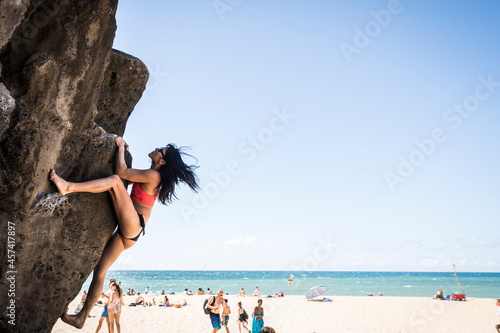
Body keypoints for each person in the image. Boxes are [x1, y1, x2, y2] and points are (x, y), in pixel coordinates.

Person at [54, 136, 199, 329]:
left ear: (162, 161)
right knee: (100, 270)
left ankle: (68, 187)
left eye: (161, 150)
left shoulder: (154, 176)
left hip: (134, 224)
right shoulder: (150, 174)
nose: (156, 148)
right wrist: (123, 153)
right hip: (130, 233)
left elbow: (120, 173)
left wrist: (121, 146)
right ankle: (82, 317)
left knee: (114, 180)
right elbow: (125, 178)